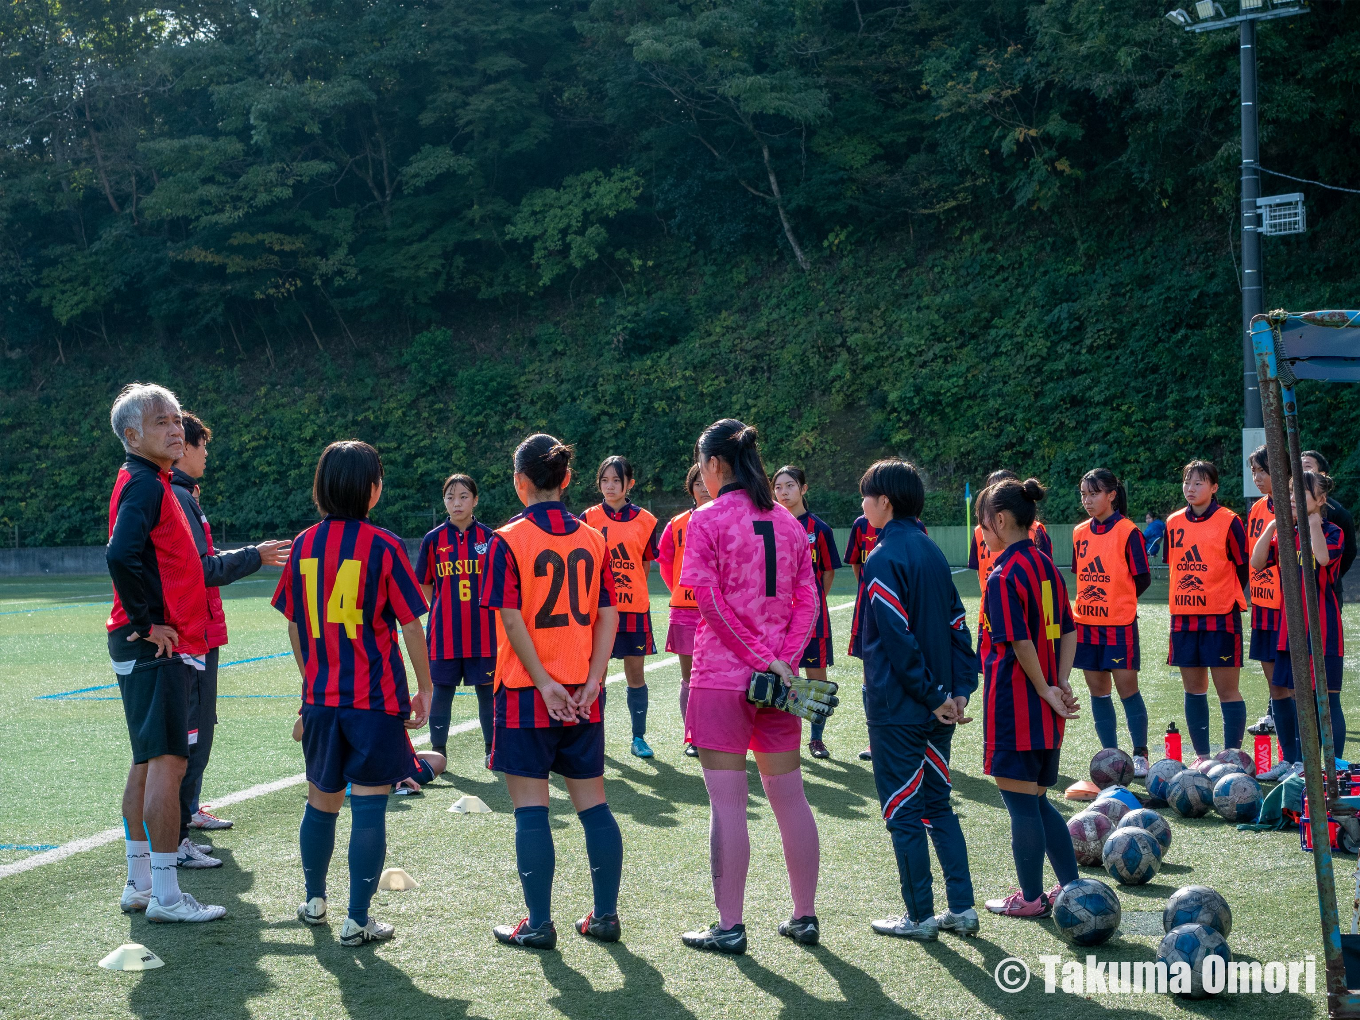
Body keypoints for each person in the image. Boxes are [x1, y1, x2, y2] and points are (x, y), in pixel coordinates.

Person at [273, 440, 433, 947]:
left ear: (321, 488)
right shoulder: (384, 546)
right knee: (368, 808)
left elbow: (295, 626)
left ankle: (315, 900)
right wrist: (425, 688)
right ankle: (358, 919)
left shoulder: (302, 544)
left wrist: (311, 680)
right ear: (373, 489)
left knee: (319, 804)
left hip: (322, 701)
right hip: (373, 701)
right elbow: (410, 626)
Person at [679, 419, 822, 954]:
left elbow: (709, 603)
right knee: (790, 800)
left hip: (722, 680)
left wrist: (761, 658)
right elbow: (807, 597)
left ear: (714, 465)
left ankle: (730, 925)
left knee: (728, 805)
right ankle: (804, 916)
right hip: (777, 684)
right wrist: (782, 662)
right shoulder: (787, 522)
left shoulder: (706, 519)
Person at [481, 434, 623, 949]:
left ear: (520, 482)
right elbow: (609, 615)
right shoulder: (594, 538)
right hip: (583, 692)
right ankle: (604, 916)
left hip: (525, 690)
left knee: (532, 811)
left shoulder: (506, 539)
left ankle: (539, 924)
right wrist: (592, 680)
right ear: (566, 480)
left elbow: (512, 619)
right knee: (594, 805)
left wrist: (543, 682)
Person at [106, 383, 224, 923]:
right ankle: (168, 897)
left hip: (152, 644)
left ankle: (140, 882)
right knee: (169, 765)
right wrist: (146, 620)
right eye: (161, 422)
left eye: (176, 419)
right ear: (132, 435)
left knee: (148, 763)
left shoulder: (150, 480)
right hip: (158, 646)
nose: (176, 429)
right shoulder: (147, 487)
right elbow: (121, 553)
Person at [856, 459, 979, 941]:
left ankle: (920, 916)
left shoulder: (883, 557)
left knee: (903, 810)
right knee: (938, 806)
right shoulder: (930, 550)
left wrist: (931, 696)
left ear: (885, 502)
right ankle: (963, 909)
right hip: (942, 706)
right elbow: (957, 625)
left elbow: (897, 639)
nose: (862, 505)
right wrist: (959, 692)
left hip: (900, 709)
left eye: (866, 496)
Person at [169, 412, 291, 856]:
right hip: (189, 634)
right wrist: (254, 557)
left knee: (201, 724)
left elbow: (204, 558)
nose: (206, 455)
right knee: (190, 731)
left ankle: (188, 810)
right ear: (184, 447)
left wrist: (250, 555)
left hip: (202, 631)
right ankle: (177, 832)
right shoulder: (175, 498)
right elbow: (202, 570)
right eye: (203, 446)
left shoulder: (184, 496)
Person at [976, 478, 1081, 919]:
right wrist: (1057, 685)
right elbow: (1069, 631)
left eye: (982, 523)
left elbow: (1019, 643)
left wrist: (1043, 689)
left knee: (1021, 804)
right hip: (1046, 707)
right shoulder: (1045, 566)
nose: (981, 533)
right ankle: (1072, 887)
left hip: (1016, 706)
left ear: (999, 521)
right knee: (1038, 801)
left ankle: (1032, 899)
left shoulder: (1003, 574)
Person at [1250, 469, 1346, 774]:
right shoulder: (1286, 532)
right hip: (1288, 626)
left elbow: (1322, 559)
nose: (1291, 498)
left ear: (1320, 499)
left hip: (1322, 627)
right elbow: (1257, 562)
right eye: (1290, 492)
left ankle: (1331, 765)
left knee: (1325, 697)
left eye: (1299, 494)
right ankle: (1292, 761)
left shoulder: (1332, 531)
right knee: (1281, 691)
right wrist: (1272, 527)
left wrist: (1313, 523)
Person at [1164, 460, 1250, 765]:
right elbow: (1172, 564)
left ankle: (1230, 756)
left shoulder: (1230, 521)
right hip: (1184, 620)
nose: (1191, 488)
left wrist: (1220, 594)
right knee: (1194, 690)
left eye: (1199, 483)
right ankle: (1201, 757)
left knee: (1228, 690)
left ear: (1214, 488)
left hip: (1221, 618)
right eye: (1187, 482)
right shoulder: (1173, 522)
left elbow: (1242, 567)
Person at [1071, 469, 1151, 777]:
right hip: (1087, 626)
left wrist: (1120, 600)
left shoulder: (1128, 531)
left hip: (1119, 624)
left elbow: (1141, 577)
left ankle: (1140, 753)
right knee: (1098, 692)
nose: (1087, 500)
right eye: (1083, 494)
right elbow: (1081, 574)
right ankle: (1110, 755)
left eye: (1094, 494)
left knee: (1127, 689)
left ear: (1111, 495)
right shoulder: (1079, 532)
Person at [416, 473, 497, 766]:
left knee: (487, 693)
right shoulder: (433, 539)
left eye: (463, 497)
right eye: (450, 497)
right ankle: (439, 752)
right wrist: (442, 608)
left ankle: (492, 750)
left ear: (475, 500)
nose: (457, 503)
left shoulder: (490, 538)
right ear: (444, 502)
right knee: (441, 691)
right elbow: (424, 585)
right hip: (444, 633)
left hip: (484, 632)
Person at [583, 456, 660, 759]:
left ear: (630, 483)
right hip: (599, 609)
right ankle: (594, 736)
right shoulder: (587, 518)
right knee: (596, 676)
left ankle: (638, 737)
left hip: (633, 608)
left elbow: (644, 563)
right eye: (605, 480)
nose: (610, 486)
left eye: (617, 480)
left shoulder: (646, 520)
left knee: (635, 674)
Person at [773, 465, 843, 760]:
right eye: (778, 487)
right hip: (777, 615)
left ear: (803, 488)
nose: (783, 492)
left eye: (789, 486)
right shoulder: (769, 524)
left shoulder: (819, 529)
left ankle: (816, 739)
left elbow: (827, 572)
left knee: (816, 677)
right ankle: (785, 738)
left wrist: (811, 604)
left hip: (811, 617)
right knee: (785, 675)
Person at [656, 464, 713, 757]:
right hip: (686, 610)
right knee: (689, 677)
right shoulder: (677, 523)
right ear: (690, 487)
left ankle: (719, 735)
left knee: (719, 676)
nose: (703, 486)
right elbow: (665, 563)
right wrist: (681, 591)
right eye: (697, 482)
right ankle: (692, 736)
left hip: (720, 612)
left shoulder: (729, 518)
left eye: (707, 480)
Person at [1245, 447, 1281, 738]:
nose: (1257, 477)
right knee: (1274, 685)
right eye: (1254, 471)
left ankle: (1298, 752)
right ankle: (1286, 751)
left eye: (1263, 471)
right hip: (1263, 603)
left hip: (1289, 607)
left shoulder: (1294, 506)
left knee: (1293, 684)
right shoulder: (1257, 509)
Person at [844, 513, 880, 761]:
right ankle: (875, 740)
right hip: (868, 610)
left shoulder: (914, 523)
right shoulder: (860, 525)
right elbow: (857, 565)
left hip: (903, 612)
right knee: (870, 672)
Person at [1301, 450, 1356, 599]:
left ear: (1322, 475)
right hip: (1297, 590)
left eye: (1307, 466)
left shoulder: (1337, 512)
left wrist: (1332, 575)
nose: (1301, 471)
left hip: (1328, 589)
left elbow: (1349, 552)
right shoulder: (1289, 508)